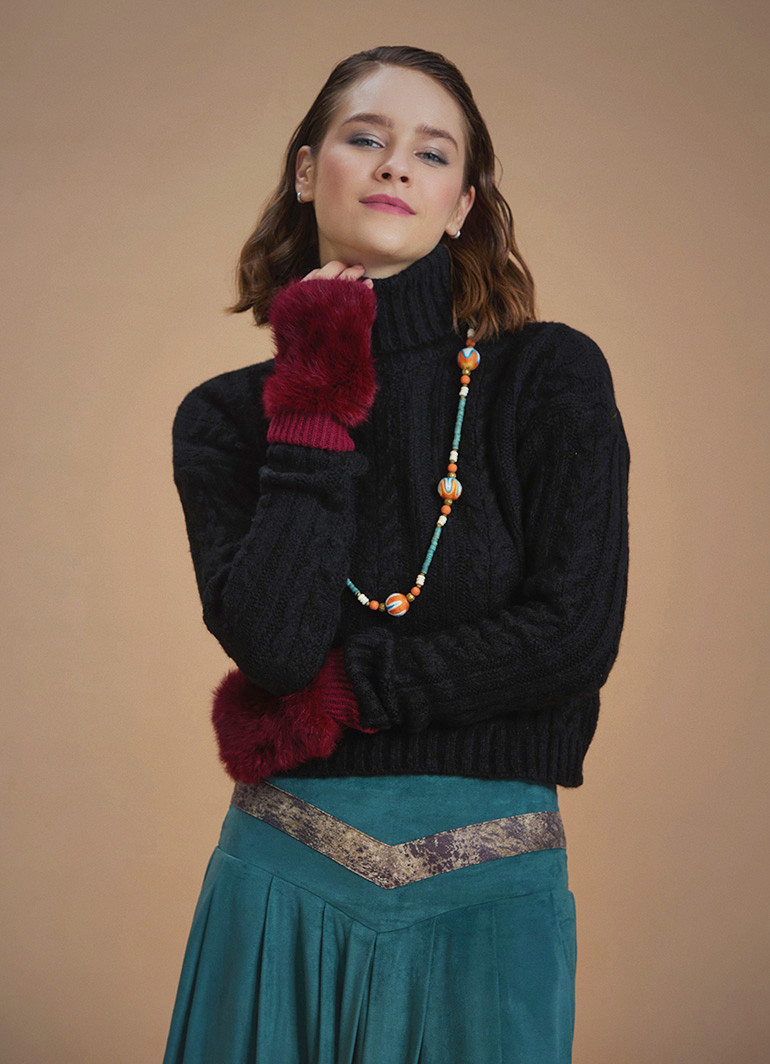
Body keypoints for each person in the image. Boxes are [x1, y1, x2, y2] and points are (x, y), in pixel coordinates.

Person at [161, 44, 630, 1064]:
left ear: (461, 204)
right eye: (364, 137)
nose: (393, 166)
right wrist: (315, 388)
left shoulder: (547, 376)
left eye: (431, 152)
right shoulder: (224, 419)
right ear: (305, 169)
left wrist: (346, 691)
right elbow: (276, 647)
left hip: (489, 891)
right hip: (280, 874)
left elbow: (572, 635)